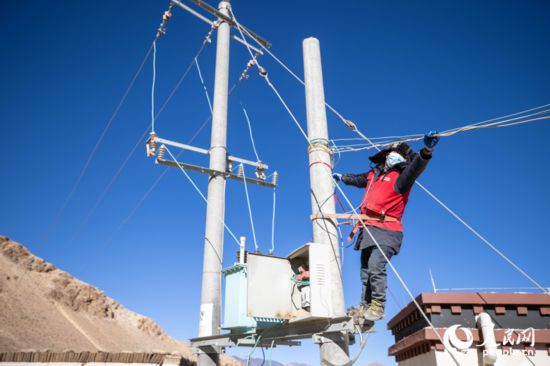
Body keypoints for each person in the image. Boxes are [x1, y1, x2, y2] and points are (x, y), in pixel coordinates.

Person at [333, 132, 439, 321]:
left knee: (375, 266)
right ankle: (364, 308)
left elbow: (416, 168)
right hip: (368, 230)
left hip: (388, 231)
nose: (392, 155)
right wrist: (341, 177)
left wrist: (426, 151)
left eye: (396, 153)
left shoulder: (401, 178)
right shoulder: (373, 175)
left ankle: (378, 306)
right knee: (365, 272)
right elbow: (358, 179)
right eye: (390, 152)